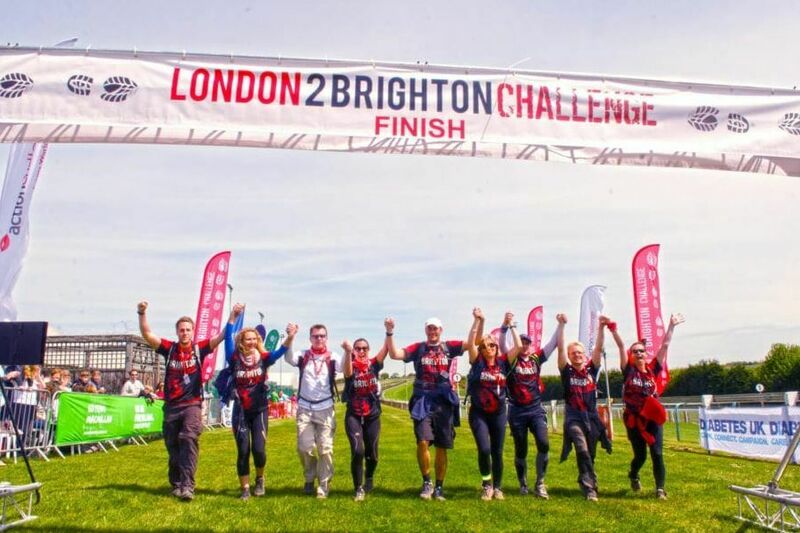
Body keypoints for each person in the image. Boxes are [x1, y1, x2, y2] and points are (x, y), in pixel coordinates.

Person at [137, 300, 226, 501]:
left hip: (192, 405)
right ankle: (176, 483)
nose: (185, 333)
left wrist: (233, 318)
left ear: (192, 331)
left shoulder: (199, 349)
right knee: (173, 446)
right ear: (177, 332)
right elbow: (147, 335)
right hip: (171, 407)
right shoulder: (169, 349)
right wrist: (141, 313)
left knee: (188, 439)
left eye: (188, 330)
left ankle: (188, 486)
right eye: (181, 330)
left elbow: (220, 337)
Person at [385, 315, 467, 501]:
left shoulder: (449, 347)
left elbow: (471, 344)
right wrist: (389, 332)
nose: (433, 331)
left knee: (441, 446)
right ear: (426, 331)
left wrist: (478, 322)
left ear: (441, 330)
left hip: (443, 401)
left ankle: (439, 487)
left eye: (436, 328)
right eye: (430, 328)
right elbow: (395, 354)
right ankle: (427, 482)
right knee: (422, 441)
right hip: (423, 399)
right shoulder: (418, 348)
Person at [224, 303, 297, 500]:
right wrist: (233, 316)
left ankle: (260, 479)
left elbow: (280, 352)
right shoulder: (233, 357)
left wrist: (290, 337)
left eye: (253, 339)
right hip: (240, 411)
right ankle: (245, 488)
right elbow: (227, 336)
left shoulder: (264, 358)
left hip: (259, 410)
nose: (250, 342)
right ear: (241, 340)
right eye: (247, 339)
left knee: (258, 449)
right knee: (243, 450)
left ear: (257, 341)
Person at [617, 313, 684, 500]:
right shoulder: (628, 371)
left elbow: (665, 346)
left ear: (646, 354)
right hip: (634, 420)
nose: (639, 353)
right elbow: (621, 347)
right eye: (635, 351)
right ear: (631, 356)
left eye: (642, 351)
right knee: (641, 456)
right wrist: (614, 330)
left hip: (652, 418)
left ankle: (660, 489)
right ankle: (633, 474)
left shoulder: (653, 368)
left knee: (657, 452)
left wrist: (671, 326)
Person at [502, 313, 566, 498]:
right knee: (521, 448)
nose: (524, 345)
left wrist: (561, 325)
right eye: (521, 342)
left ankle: (540, 483)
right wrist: (507, 326)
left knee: (544, 444)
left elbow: (553, 344)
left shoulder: (537, 358)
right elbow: (502, 343)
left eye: (527, 342)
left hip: (535, 409)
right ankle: (523, 484)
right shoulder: (511, 360)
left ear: (531, 345)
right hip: (517, 410)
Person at [465, 309, 521, 500]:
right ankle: (486, 484)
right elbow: (472, 341)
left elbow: (519, 346)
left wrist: (510, 324)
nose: (489, 348)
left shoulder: (503, 363)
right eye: (485, 346)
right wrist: (479, 320)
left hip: (498, 412)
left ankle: (497, 487)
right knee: (484, 449)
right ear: (481, 350)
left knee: (497, 451)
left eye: (492, 345)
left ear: (497, 348)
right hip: (479, 412)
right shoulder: (477, 362)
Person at [285, 323, 343, 499]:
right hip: (305, 408)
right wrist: (291, 336)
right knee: (304, 447)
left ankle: (323, 485)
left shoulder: (333, 357)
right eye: (316, 336)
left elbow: (346, 368)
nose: (319, 339)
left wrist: (348, 351)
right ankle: (310, 477)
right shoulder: (303, 355)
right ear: (310, 338)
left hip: (325, 408)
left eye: (322, 336)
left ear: (327, 337)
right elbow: (288, 358)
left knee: (325, 448)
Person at [557, 314, 607, 501]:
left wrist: (601, 328)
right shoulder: (566, 371)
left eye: (580, 352)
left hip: (592, 418)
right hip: (573, 418)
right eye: (573, 353)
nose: (577, 355)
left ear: (584, 355)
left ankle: (585, 477)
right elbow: (560, 348)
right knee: (581, 448)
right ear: (569, 357)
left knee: (590, 453)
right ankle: (590, 488)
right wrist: (561, 325)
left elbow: (599, 348)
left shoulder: (591, 370)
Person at [341, 334, 389, 501]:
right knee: (357, 450)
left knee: (373, 453)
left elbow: (386, 350)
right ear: (354, 350)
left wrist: (389, 332)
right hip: (353, 414)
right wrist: (348, 352)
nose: (361, 351)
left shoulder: (374, 365)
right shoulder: (350, 365)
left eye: (364, 348)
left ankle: (369, 477)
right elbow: (347, 373)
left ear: (368, 350)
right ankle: (358, 488)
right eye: (358, 348)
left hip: (373, 414)